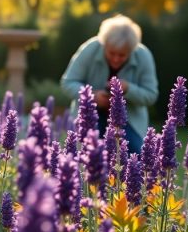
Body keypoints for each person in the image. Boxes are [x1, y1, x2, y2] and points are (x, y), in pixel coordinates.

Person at [60, 14, 158, 153]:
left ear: (132, 50)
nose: (116, 59)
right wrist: (91, 96)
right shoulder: (89, 49)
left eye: (122, 55)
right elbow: (68, 82)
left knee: (135, 157)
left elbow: (151, 95)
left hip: (128, 120)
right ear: (104, 44)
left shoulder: (144, 56)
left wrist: (128, 89)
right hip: (89, 115)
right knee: (87, 155)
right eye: (112, 53)